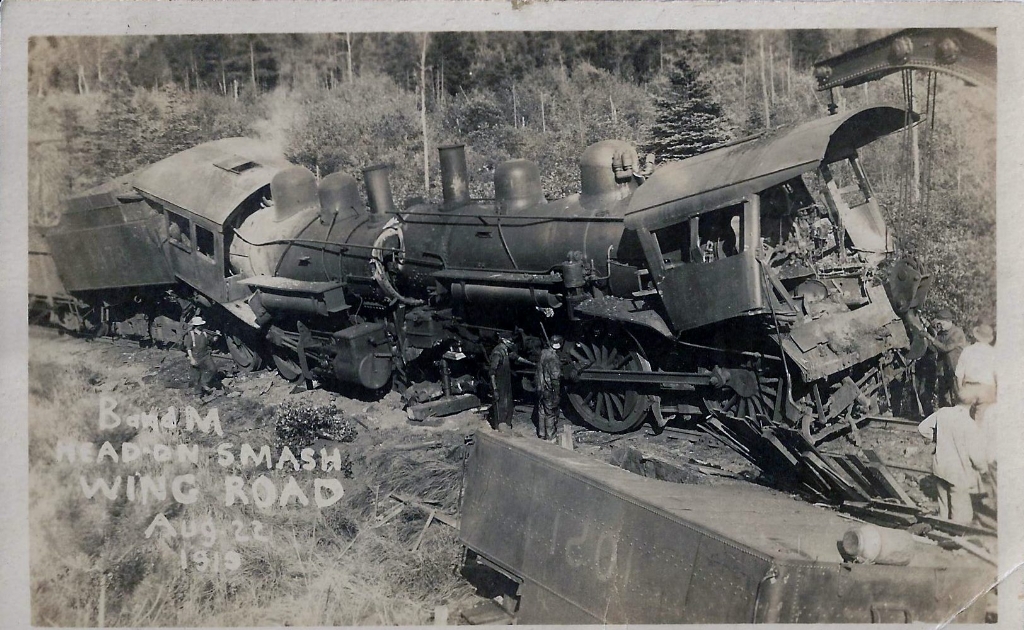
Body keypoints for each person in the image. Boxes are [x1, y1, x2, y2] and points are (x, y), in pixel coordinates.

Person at [917, 395, 986, 524]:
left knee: (944, 508)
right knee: (960, 518)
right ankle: (954, 540)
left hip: (940, 468)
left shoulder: (943, 412)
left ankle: (941, 534)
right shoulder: (969, 423)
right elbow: (976, 456)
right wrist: (983, 470)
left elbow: (922, 428)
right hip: (958, 474)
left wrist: (936, 438)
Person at [927, 309, 967, 407]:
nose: (940, 325)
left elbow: (946, 348)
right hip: (943, 370)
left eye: (941, 323)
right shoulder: (942, 333)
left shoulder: (957, 332)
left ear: (949, 321)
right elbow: (935, 347)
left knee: (957, 396)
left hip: (955, 370)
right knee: (943, 397)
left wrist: (930, 337)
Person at [956, 322, 996, 407]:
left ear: (976, 336)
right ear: (989, 338)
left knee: (965, 415)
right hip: (986, 389)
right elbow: (997, 375)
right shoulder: (993, 353)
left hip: (969, 388)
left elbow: (959, 374)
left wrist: (961, 390)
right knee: (982, 416)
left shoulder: (967, 350)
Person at [536, 335, 564, 442]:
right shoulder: (554, 359)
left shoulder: (543, 353)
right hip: (549, 389)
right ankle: (550, 436)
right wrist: (557, 394)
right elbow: (555, 379)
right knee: (550, 413)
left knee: (541, 411)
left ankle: (541, 434)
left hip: (540, 387)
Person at [185, 316, 221, 396]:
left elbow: (212, 340)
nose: (201, 326)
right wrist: (191, 358)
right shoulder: (191, 334)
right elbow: (188, 348)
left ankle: (205, 383)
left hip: (206, 355)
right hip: (196, 356)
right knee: (197, 376)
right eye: (200, 325)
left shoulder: (204, 333)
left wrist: (216, 336)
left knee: (213, 369)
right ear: (196, 326)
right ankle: (198, 394)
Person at [488, 334, 516, 433]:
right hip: (499, 384)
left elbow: (516, 358)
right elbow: (492, 372)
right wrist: (495, 388)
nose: (512, 343)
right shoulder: (497, 352)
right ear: (504, 340)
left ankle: (506, 425)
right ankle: (499, 428)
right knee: (500, 405)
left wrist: (532, 363)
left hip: (506, 384)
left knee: (508, 404)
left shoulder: (506, 351)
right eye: (510, 341)